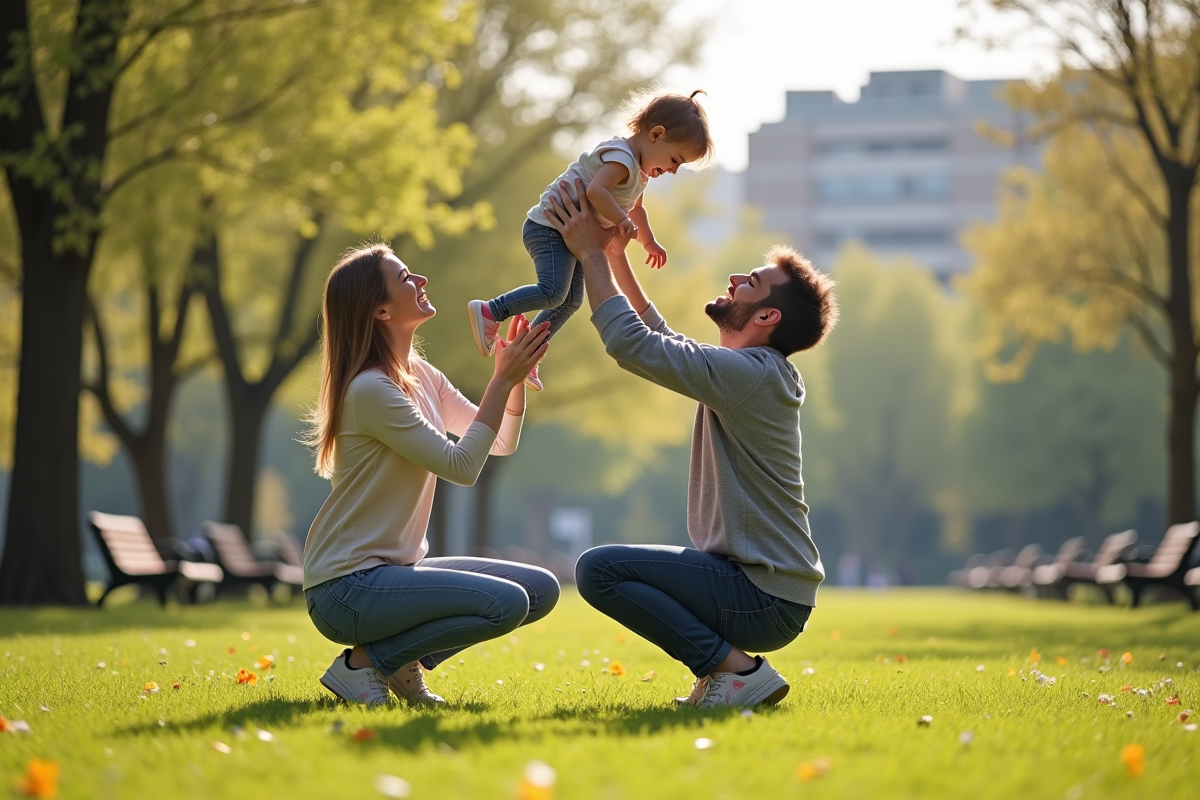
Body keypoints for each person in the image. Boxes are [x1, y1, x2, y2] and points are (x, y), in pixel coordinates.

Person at [546, 179, 839, 708]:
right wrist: (615, 258)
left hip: (761, 595)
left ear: (767, 317)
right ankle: (730, 674)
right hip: (762, 591)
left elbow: (633, 345)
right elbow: (665, 339)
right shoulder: (753, 372)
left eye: (750, 282)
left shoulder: (751, 374)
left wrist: (589, 253)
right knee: (605, 568)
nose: (734, 278)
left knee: (598, 569)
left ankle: (736, 672)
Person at [302, 242, 560, 706]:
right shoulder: (371, 390)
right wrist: (499, 380)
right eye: (404, 278)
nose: (419, 280)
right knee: (508, 603)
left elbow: (498, 442)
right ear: (380, 309)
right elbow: (460, 467)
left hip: (394, 574)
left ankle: (393, 664)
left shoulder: (421, 375)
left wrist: (515, 381)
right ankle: (364, 666)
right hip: (347, 588)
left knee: (539, 589)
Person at [465, 90, 715, 392]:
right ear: (656, 134)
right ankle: (492, 310)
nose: (674, 170)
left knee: (570, 301)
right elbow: (597, 191)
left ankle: (526, 353)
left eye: (680, 166)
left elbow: (637, 208)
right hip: (548, 227)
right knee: (553, 292)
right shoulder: (621, 158)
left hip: (571, 236)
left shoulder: (640, 173)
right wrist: (621, 221)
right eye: (675, 160)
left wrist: (648, 242)